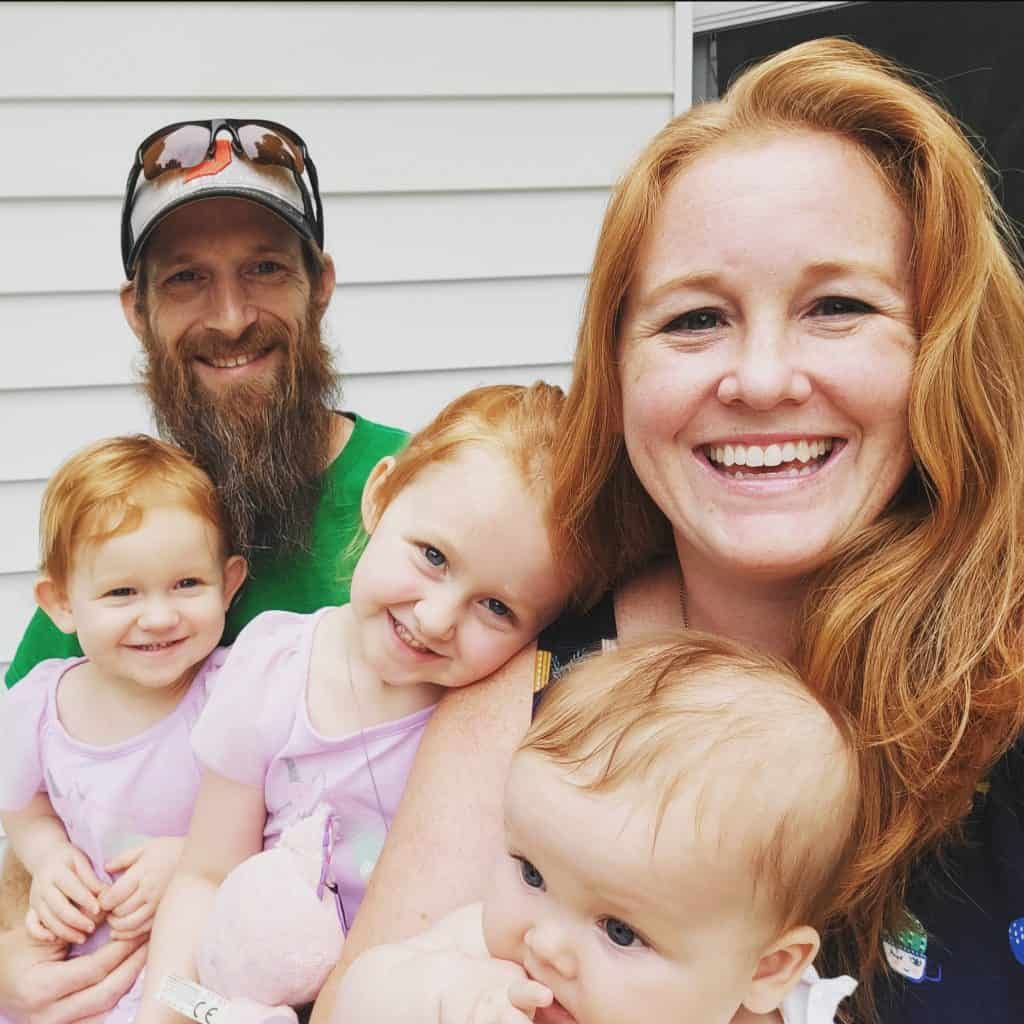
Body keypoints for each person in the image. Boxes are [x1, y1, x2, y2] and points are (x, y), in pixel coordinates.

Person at [317, 38, 1024, 1024]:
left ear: (940, 349)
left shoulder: (1002, 705)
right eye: (695, 319)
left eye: (837, 307)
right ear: (616, 370)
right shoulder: (534, 692)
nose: (763, 379)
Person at [0, 118, 406, 1022]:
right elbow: (38, 804)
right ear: (137, 311)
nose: (229, 317)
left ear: (320, 287)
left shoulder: (422, 503)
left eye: (264, 268)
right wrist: (7, 958)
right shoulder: (115, 536)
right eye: (186, 278)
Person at [134, 383, 575, 1024]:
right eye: (433, 557)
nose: (436, 617)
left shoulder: (496, 728)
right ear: (381, 495)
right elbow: (205, 875)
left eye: (497, 607)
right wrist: (168, 1009)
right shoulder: (273, 670)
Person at [338, 636, 861, 1024]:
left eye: (620, 932)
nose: (545, 945)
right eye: (532, 874)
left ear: (767, 969)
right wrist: (434, 999)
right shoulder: (478, 960)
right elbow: (355, 1001)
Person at [0, 436, 247, 1024]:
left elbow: (280, 817)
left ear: (229, 584)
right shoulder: (39, 705)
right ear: (62, 603)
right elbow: (21, 803)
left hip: (195, 974)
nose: (159, 616)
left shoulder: (234, 692)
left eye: (187, 584)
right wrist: (49, 856)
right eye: (122, 592)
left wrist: (191, 859)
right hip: (82, 963)